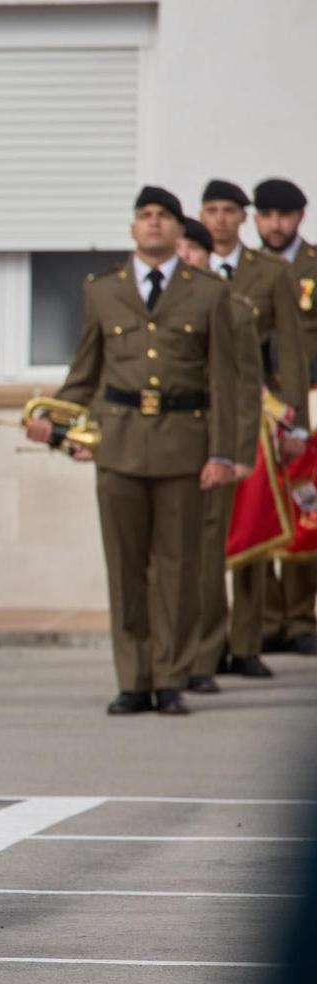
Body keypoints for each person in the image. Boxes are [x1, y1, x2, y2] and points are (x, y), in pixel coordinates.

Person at [28, 186, 237, 716]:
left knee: (177, 568)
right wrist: (51, 417)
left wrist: (222, 453)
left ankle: (170, 678)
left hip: (183, 447)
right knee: (125, 571)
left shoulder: (207, 292)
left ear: (177, 228)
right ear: (132, 229)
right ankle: (133, 679)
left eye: (163, 217)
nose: (153, 225)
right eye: (144, 216)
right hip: (118, 448)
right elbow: (86, 374)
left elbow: (225, 382)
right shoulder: (103, 291)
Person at [193, 188, 299, 687]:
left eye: (229, 212)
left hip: (257, 414)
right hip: (203, 415)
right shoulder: (188, 267)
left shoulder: (270, 272)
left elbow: (293, 348)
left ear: (245, 219)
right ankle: (209, 645)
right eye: (211, 211)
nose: (219, 221)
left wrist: (295, 422)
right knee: (210, 536)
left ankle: (247, 642)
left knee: (253, 531)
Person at [253, 177, 317, 655]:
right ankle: (265, 619)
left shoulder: (314, 266)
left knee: (305, 507)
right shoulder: (243, 270)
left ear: (300, 217)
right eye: (268, 215)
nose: (276, 225)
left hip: (307, 402)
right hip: (256, 405)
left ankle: (298, 619)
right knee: (258, 507)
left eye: (285, 215)